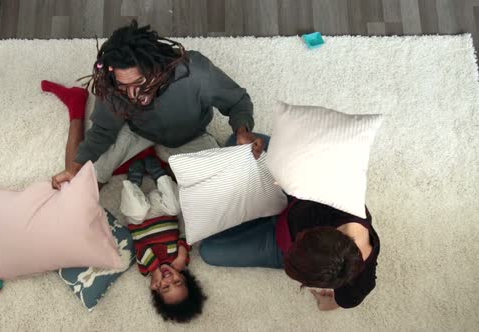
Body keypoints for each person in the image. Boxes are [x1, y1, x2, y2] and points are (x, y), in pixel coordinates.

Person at [50, 19, 264, 189]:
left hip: (189, 136)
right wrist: (76, 166)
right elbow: (103, 130)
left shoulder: (196, 72)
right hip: (137, 132)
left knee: (223, 189)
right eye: (124, 87)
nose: (133, 95)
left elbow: (237, 100)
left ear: (156, 68)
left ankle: (156, 159)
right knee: (81, 181)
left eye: (140, 82)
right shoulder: (112, 85)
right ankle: (76, 107)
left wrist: (242, 129)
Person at [198, 135, 380, 310]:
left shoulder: (359, 284)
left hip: (279, 242)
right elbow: (308, 163)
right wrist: (276, 169)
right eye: (300, 238)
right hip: (294, 196)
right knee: (237, 142)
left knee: (208, 250)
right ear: (320, 231)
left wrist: (326, 303)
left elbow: (340, 302)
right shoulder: (344, 194)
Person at [121, 155, 206, 323]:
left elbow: (142, 250)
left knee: (134, 210)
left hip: (140, 219)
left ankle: (133, 181)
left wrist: (154, 270)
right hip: (163, 211)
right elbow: (185, 238)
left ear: (156, 287)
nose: (169, 279)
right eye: (177, 282)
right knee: (176, 206)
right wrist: (181, 254)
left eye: (166, 287)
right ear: (184, 278)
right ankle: (159, 174)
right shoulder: (180, 262)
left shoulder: (146, 270)